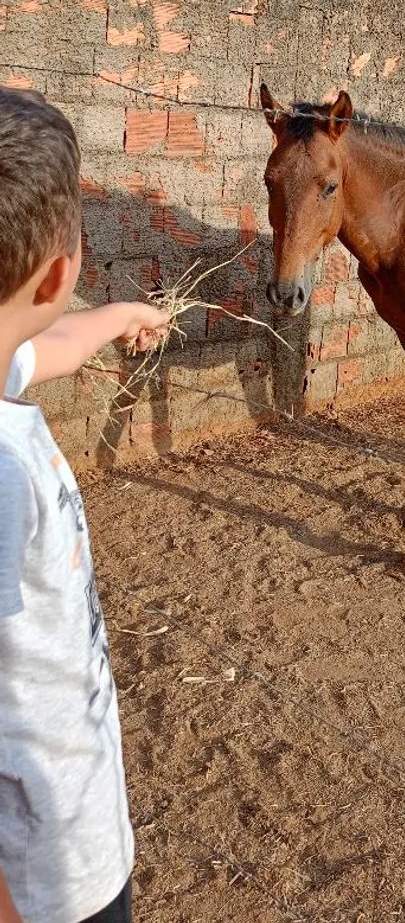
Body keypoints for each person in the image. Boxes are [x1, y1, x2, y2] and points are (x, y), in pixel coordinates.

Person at [0, 89, 170, 923]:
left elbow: (46, 345)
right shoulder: (1, 474)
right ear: (60, 268)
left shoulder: (3, 366)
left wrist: (116, 317)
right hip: (47, 878)